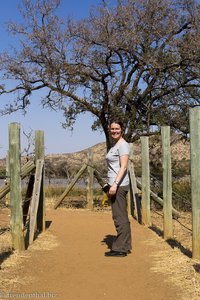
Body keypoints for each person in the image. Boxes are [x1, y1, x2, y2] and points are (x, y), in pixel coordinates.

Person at [104, 119, 132, 257]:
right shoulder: (115, 145)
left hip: (119, 186)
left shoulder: (123, 145)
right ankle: (124, 245)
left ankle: (121, 249)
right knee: (119, 215)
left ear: (122, 129)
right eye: (112, 129)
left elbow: (124, 166)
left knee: (120, 216)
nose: (114, 131)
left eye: (117, 129)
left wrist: (115, 184)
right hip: (114, 184)